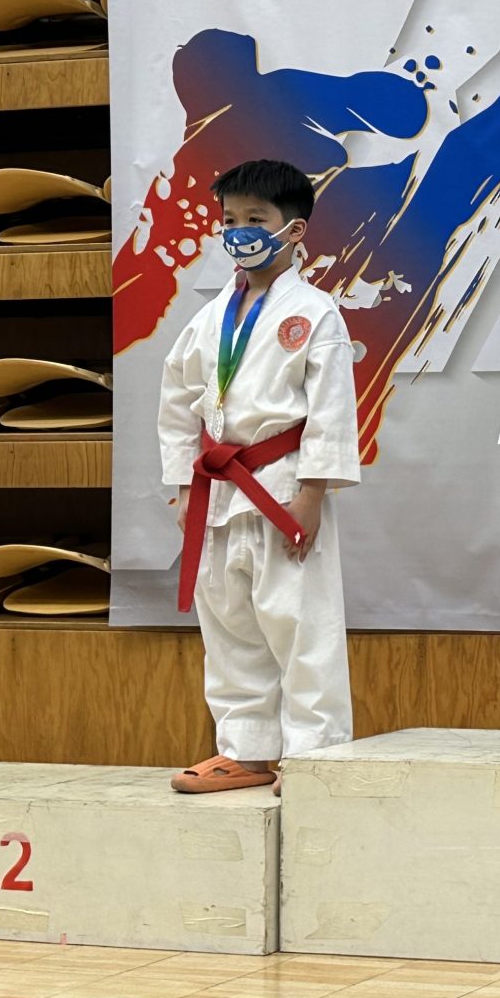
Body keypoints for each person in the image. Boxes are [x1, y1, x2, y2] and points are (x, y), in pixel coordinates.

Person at [158, 159, 359, 794]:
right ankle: (245, 750)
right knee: (228, 623)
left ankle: (315, 757)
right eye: (230, 219)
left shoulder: (316, 313)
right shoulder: (208, 317)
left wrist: (313, 494)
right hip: (217, 490)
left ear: (293, 230)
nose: (238, 231)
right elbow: (177, 402)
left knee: (299, 623)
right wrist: (182, 488)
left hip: (282, 487)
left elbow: (331, 411)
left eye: (255, 219)